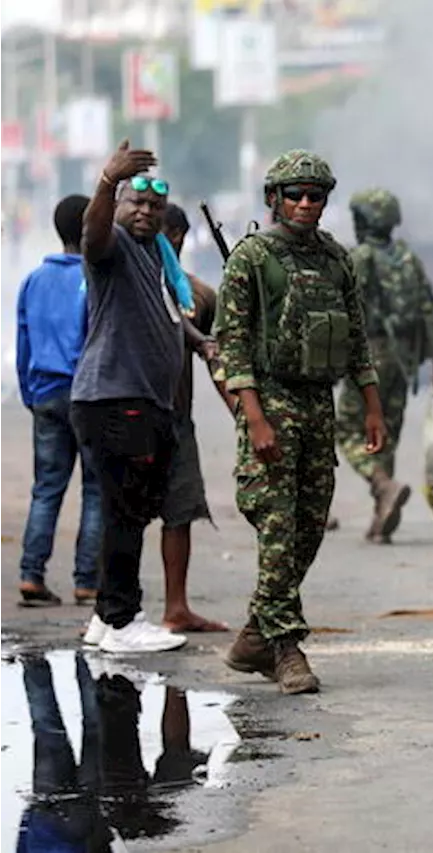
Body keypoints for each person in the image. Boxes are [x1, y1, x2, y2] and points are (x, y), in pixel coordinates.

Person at [216, 149, 387, 695]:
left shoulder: (336, 259)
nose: (307, 204)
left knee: (310, 527)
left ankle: (252, 637)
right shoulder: (251, 259)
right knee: (278, 527)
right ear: (274, 199)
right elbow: (233, 347)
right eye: (296, 195)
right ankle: (286, 647)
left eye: (316, 196)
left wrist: (372, 405)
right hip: (271, 402)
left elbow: (357, 338)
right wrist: (256, 418)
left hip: (318, 406)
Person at [74, 139, 189, 655]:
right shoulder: (113, 246)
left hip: (138, 400)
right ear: (120, 207)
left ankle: (104, 617)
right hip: (118, 398)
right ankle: (122, 619)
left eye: (155, 207)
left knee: (128, 508)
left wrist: (202, 343)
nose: (145, 213)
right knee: (127, 511)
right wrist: (105, 181)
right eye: (135, 203)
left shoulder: (153, 258)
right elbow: (92, 234)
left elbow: (168, 318)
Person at [336, 187, 433, 542]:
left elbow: (344, 311)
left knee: (348, 430)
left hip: (369, 357)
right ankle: (382, 517)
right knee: (384, 436)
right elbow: (428, 313)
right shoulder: (408, 258)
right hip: (405, 360)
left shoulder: (361, 258)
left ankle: (383, 486)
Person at [15, 194, 102, 608]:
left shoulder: (34, 279)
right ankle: (86, 580)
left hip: (45, 393)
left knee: (46, 489)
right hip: (86, 395)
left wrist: (29, 392)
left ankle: (32, 574)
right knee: (96, 489)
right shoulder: (93, 276)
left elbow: (23, 341)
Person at [156, 203, 236, 634]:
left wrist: (245, 416)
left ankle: (176, 607)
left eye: (173, 233)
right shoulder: (122, 282)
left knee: (180, 511)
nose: (167, 241)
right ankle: (110, 611)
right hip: (126, 415)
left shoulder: (197, 295)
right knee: (117, 514)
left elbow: (218, 360)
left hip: (175, 418)